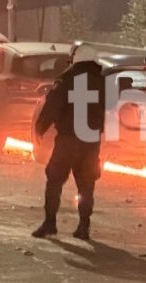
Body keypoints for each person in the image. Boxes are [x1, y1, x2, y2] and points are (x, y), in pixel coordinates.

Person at [31, 48, 107, 240]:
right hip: (90, 141)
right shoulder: (102, 82)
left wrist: (41, 127)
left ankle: (50, 223)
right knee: (87, 183)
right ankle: (83, 227)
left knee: (55, 178)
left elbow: (53, 105)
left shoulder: (67, 79)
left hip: (69, 140)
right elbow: (106, 110)